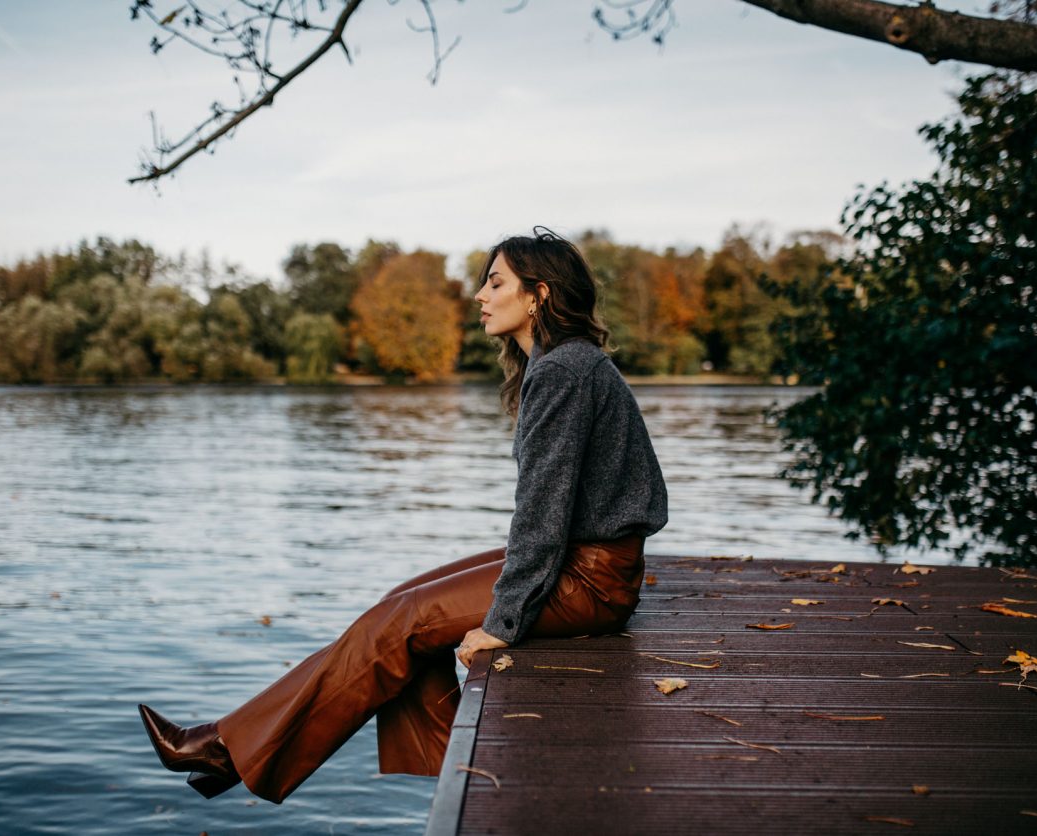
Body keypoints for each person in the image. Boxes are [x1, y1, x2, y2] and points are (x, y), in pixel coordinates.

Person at [138, 227, 668, 804]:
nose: (479, 296)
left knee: (404, 624)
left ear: (539, 294)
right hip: (584, 565)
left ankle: (227, 747)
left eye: (495, 282)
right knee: (398, 603)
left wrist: (501, 625)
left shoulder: (564, 371)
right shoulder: (567, 364)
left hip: (591, 581)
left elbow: (541, 514)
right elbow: (547, 518)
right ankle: (440, 770)